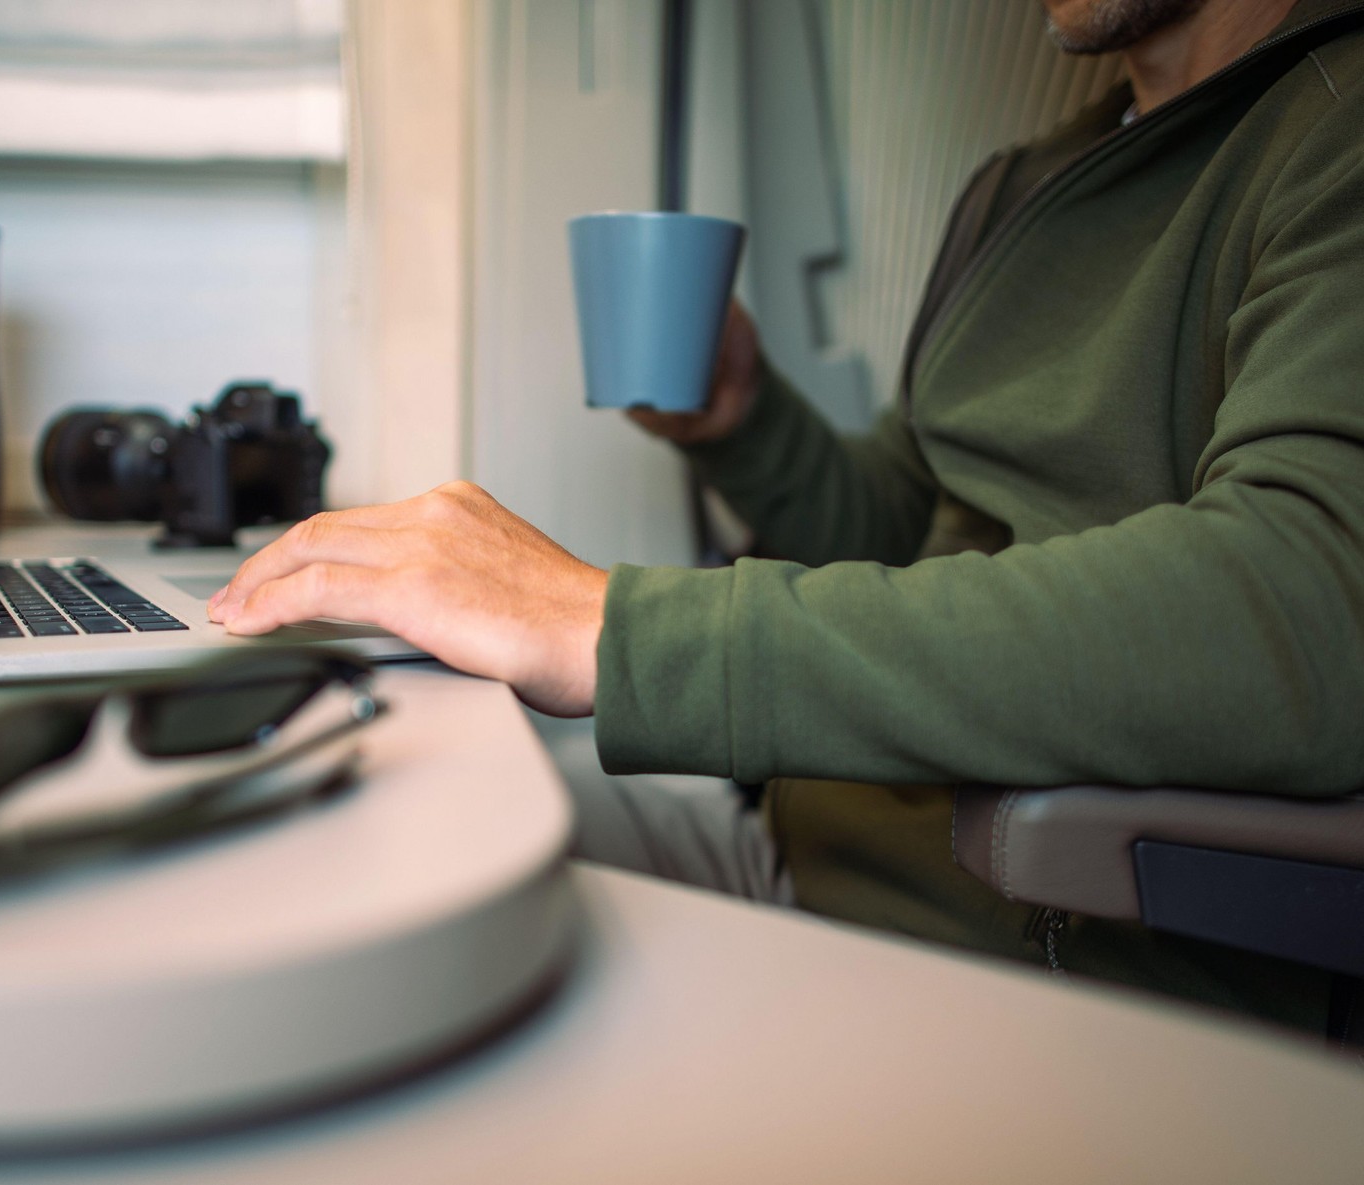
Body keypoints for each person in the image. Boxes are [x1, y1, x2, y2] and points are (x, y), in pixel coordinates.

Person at [210, 0, 1364, 1035]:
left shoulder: (1334, 128)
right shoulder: (1028, 184)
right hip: (811, 856)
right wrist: (745, 422)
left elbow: (1311, 610)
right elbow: (911, 530)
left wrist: (612, 630)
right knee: (347, 835)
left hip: (1020, 954)